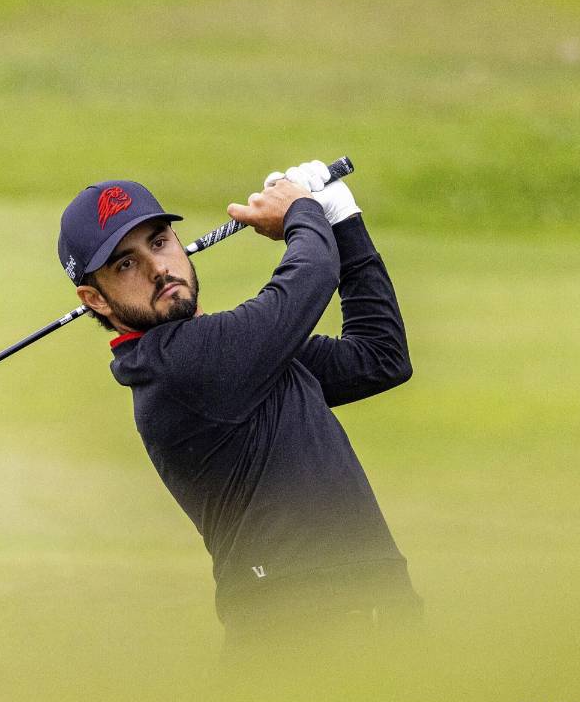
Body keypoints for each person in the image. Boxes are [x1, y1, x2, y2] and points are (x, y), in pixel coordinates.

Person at [56, 160, 422, 663]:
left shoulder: (240, 358)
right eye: (125, 265)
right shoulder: (179, 367)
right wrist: (302, 211)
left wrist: (342, 218)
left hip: (367, 613)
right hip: (302, 633)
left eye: (160, 242)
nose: (158, 269)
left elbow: (380, 359)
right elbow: (309, 276)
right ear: (94, 299)